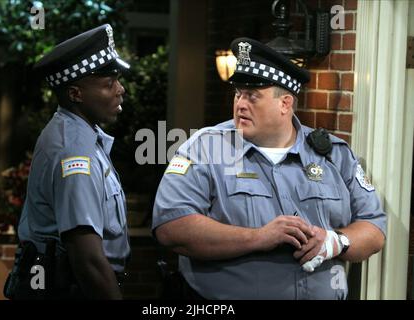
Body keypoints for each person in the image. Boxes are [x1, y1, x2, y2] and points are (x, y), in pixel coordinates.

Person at [152, 37, 387, 300]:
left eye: (252, 96)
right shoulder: (205, 149)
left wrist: (336, 242)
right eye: (238, 93)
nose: (240, 104)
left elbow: (374, 228)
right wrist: (259, 237)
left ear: (285, 103)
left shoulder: (333, 153)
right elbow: (172, 227)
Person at [4, 24, 130, 300]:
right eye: (109, 83)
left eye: (118, 80)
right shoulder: (74, 153)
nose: (120, 89)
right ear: (75, 94)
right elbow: (88, 260)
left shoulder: (80, 136)